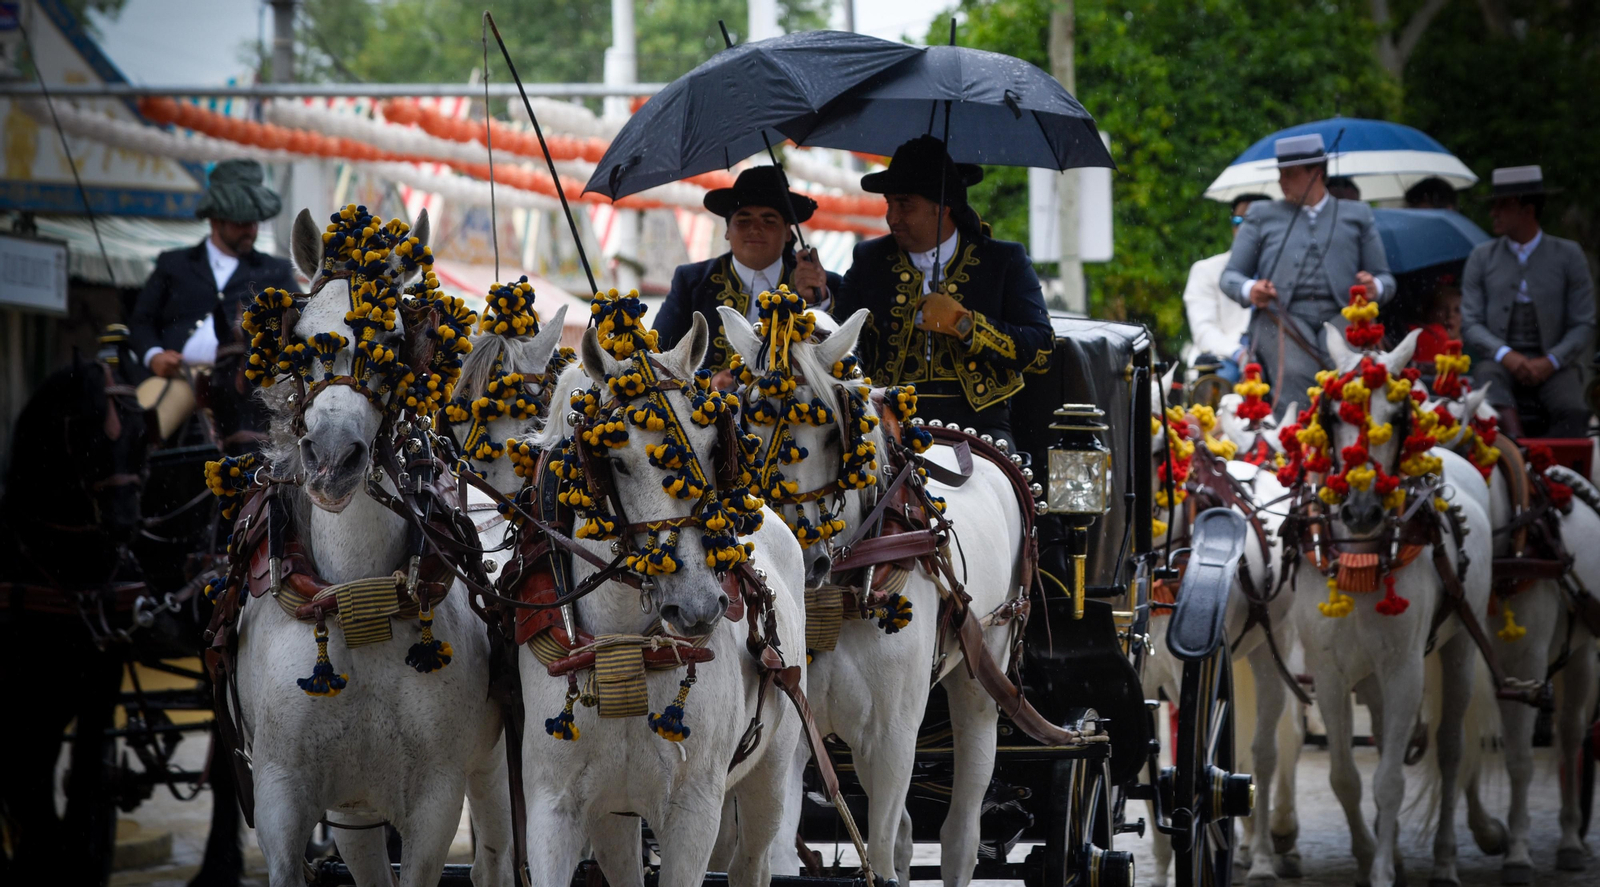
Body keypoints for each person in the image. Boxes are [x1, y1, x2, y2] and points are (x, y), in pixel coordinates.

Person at [832, 136, 1052, 447]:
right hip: (888, 420)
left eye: (904, 204)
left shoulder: (1002, 261)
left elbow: (1042, 351)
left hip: (979, 422)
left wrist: (964, 324)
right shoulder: (870, 261)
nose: (891, 217)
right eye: (889, 203)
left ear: (943, 207)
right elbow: (839, 340)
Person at [1220, 133, 1396, 418]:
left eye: (1289, 174)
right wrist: (1250, 289)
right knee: (1296, 376)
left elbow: (1386, 279)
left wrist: (1375, 286)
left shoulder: (1357, 214)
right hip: (1282, 316)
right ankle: (1294, 451)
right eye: (1280, 174)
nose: (1281, 182)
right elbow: (1230, 277)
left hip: (1343, 315)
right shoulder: (1262, 215)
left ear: (1316, 173)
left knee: (1349, 374)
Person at [129, 159, 299, 447]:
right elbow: (140, 321)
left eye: (254, 222)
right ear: (216, 220)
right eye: (241, 223)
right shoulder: (174, 264)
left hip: (249, 388)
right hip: (182, 380)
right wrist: (154, 355)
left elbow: (297, 321)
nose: (251, 231)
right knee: (140, 434)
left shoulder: (275, 272)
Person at [653, 166, 839, 384]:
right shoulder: (692, 282)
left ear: (788, 231)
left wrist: (815, 301)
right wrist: (708, 385)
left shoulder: (826, 286)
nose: (755, 229)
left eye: (769, 220)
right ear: (726, 230)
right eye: (743, 219)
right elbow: (658, 359)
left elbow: (842, 367)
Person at [1461, 165, 1595, 437]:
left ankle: (1559, 472)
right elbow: (1471, 322)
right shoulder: (1481, 257)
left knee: (1574, 409)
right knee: (1489, 393)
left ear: (1527, 210)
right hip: (1498, 364)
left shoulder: (1569, 255)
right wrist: (1506, 354)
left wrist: (1552, 360)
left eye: (1502, 205)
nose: (1493, 212)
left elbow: (1583, 323)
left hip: (1555, 364)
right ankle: (1518, 455)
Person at [1183, 192, 1271, 382]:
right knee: (1220, 383)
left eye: (1255, 222)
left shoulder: (1287, 271)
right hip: (1226, 359)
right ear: (1232, 226)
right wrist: (1239, 353)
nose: (1247, 229)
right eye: (1239, 221)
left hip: (1276, 355)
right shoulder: (1205, 270)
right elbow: (1204, 330)